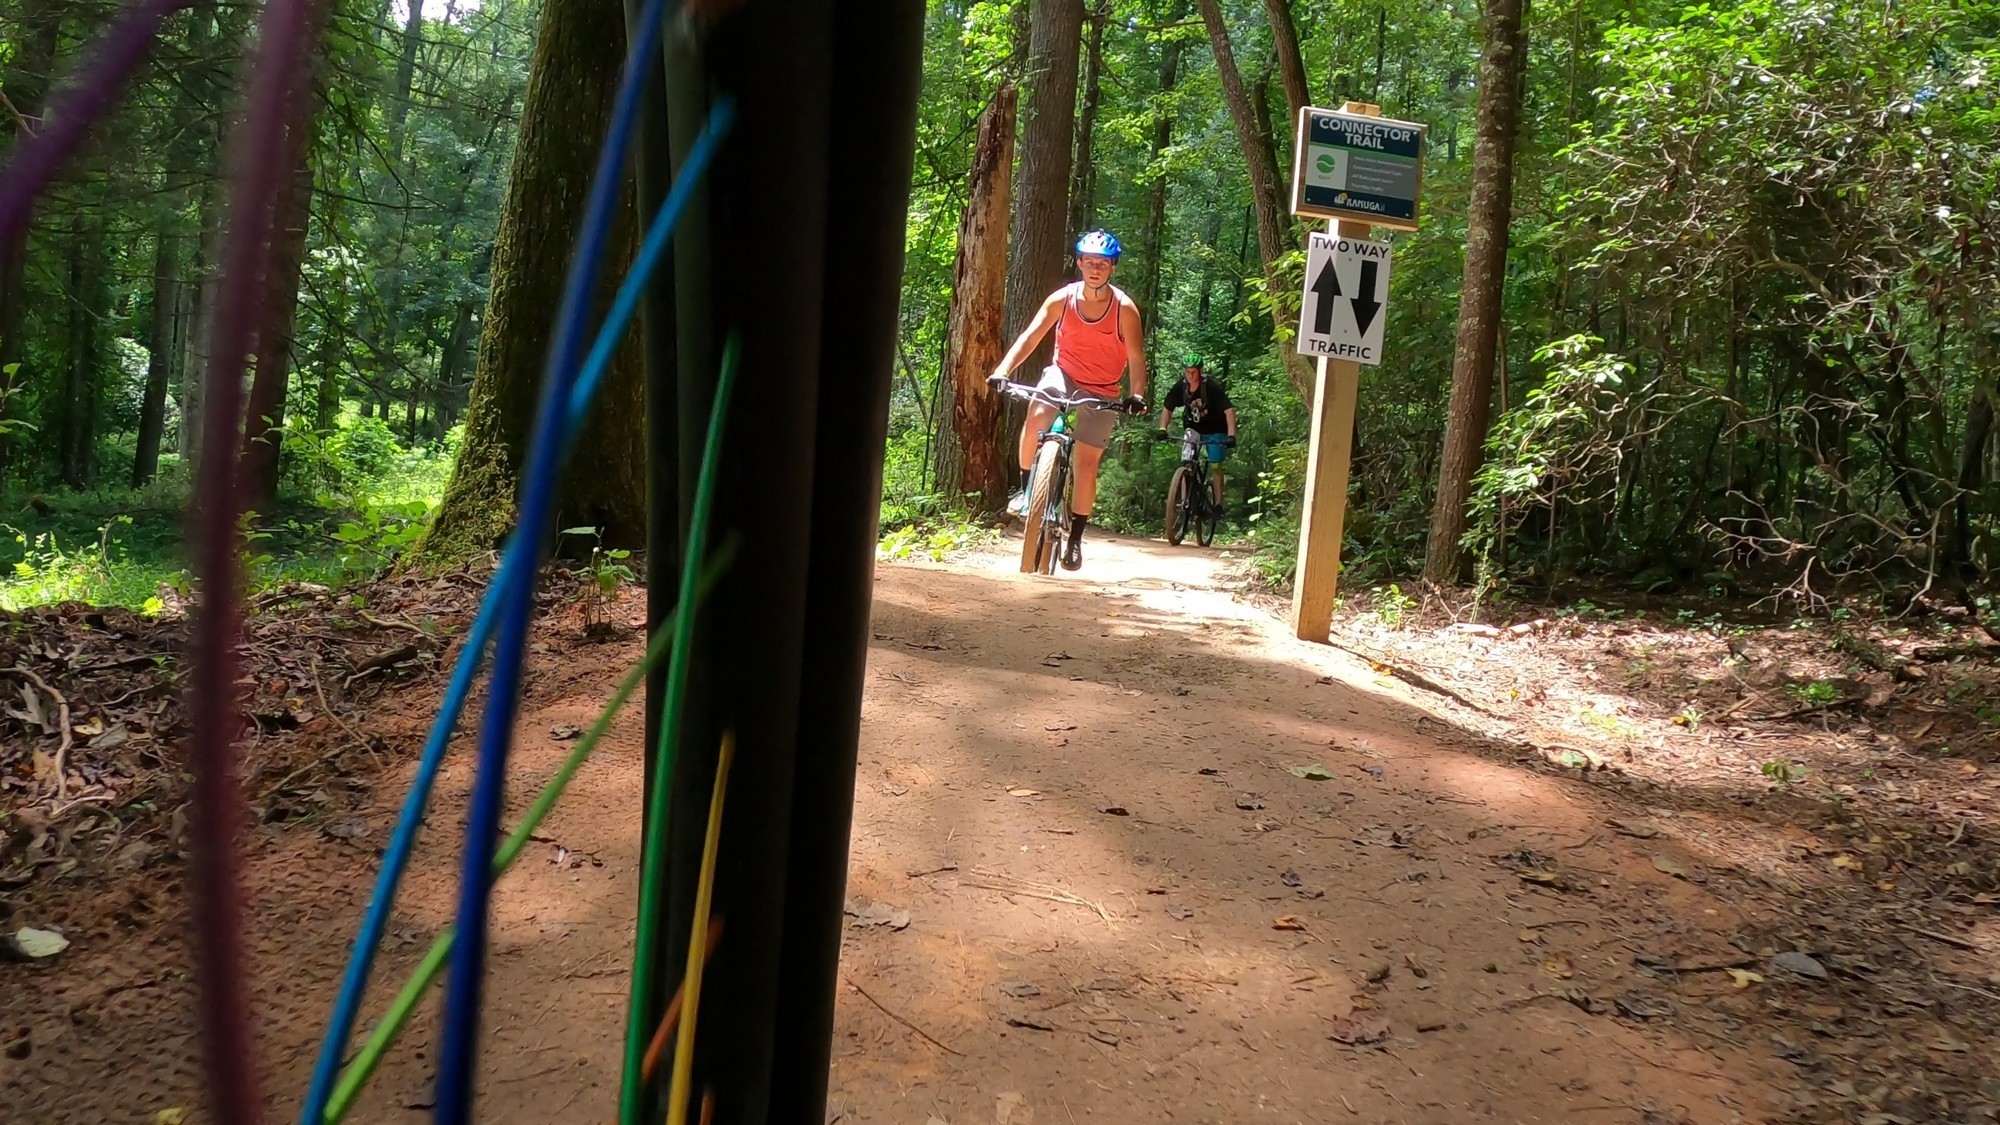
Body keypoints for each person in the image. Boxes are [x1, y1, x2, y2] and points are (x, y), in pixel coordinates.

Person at [987, 230, 1147, 571]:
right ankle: (1027, 489)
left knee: (1087, 464)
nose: (1095, 269)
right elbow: (1031, 336)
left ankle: (1074, 538)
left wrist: (1137, 395)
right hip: (1064, 374)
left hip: (1102, 388)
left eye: (1102, 264)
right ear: (1079, 263)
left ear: (1112, 268)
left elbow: (1136, 357)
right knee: (1038, 411)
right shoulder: (1062, 299)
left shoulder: (1125, 310)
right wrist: (1003, 369)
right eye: (1089, 262)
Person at [1155, 356, 1236, 507]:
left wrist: (1231, 435)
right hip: (1193, 427)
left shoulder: (1210, 387)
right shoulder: (1182, 386)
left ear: (1200, 371)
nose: (1191, 375)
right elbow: (1168, 408)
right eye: (1188, 372)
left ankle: (1218, 503)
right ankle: (1185, 499)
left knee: (1216, 466)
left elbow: (1229, 411)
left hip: (1216, 429)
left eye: (1194, 372)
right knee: (1187, 460)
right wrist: (1162, 428)